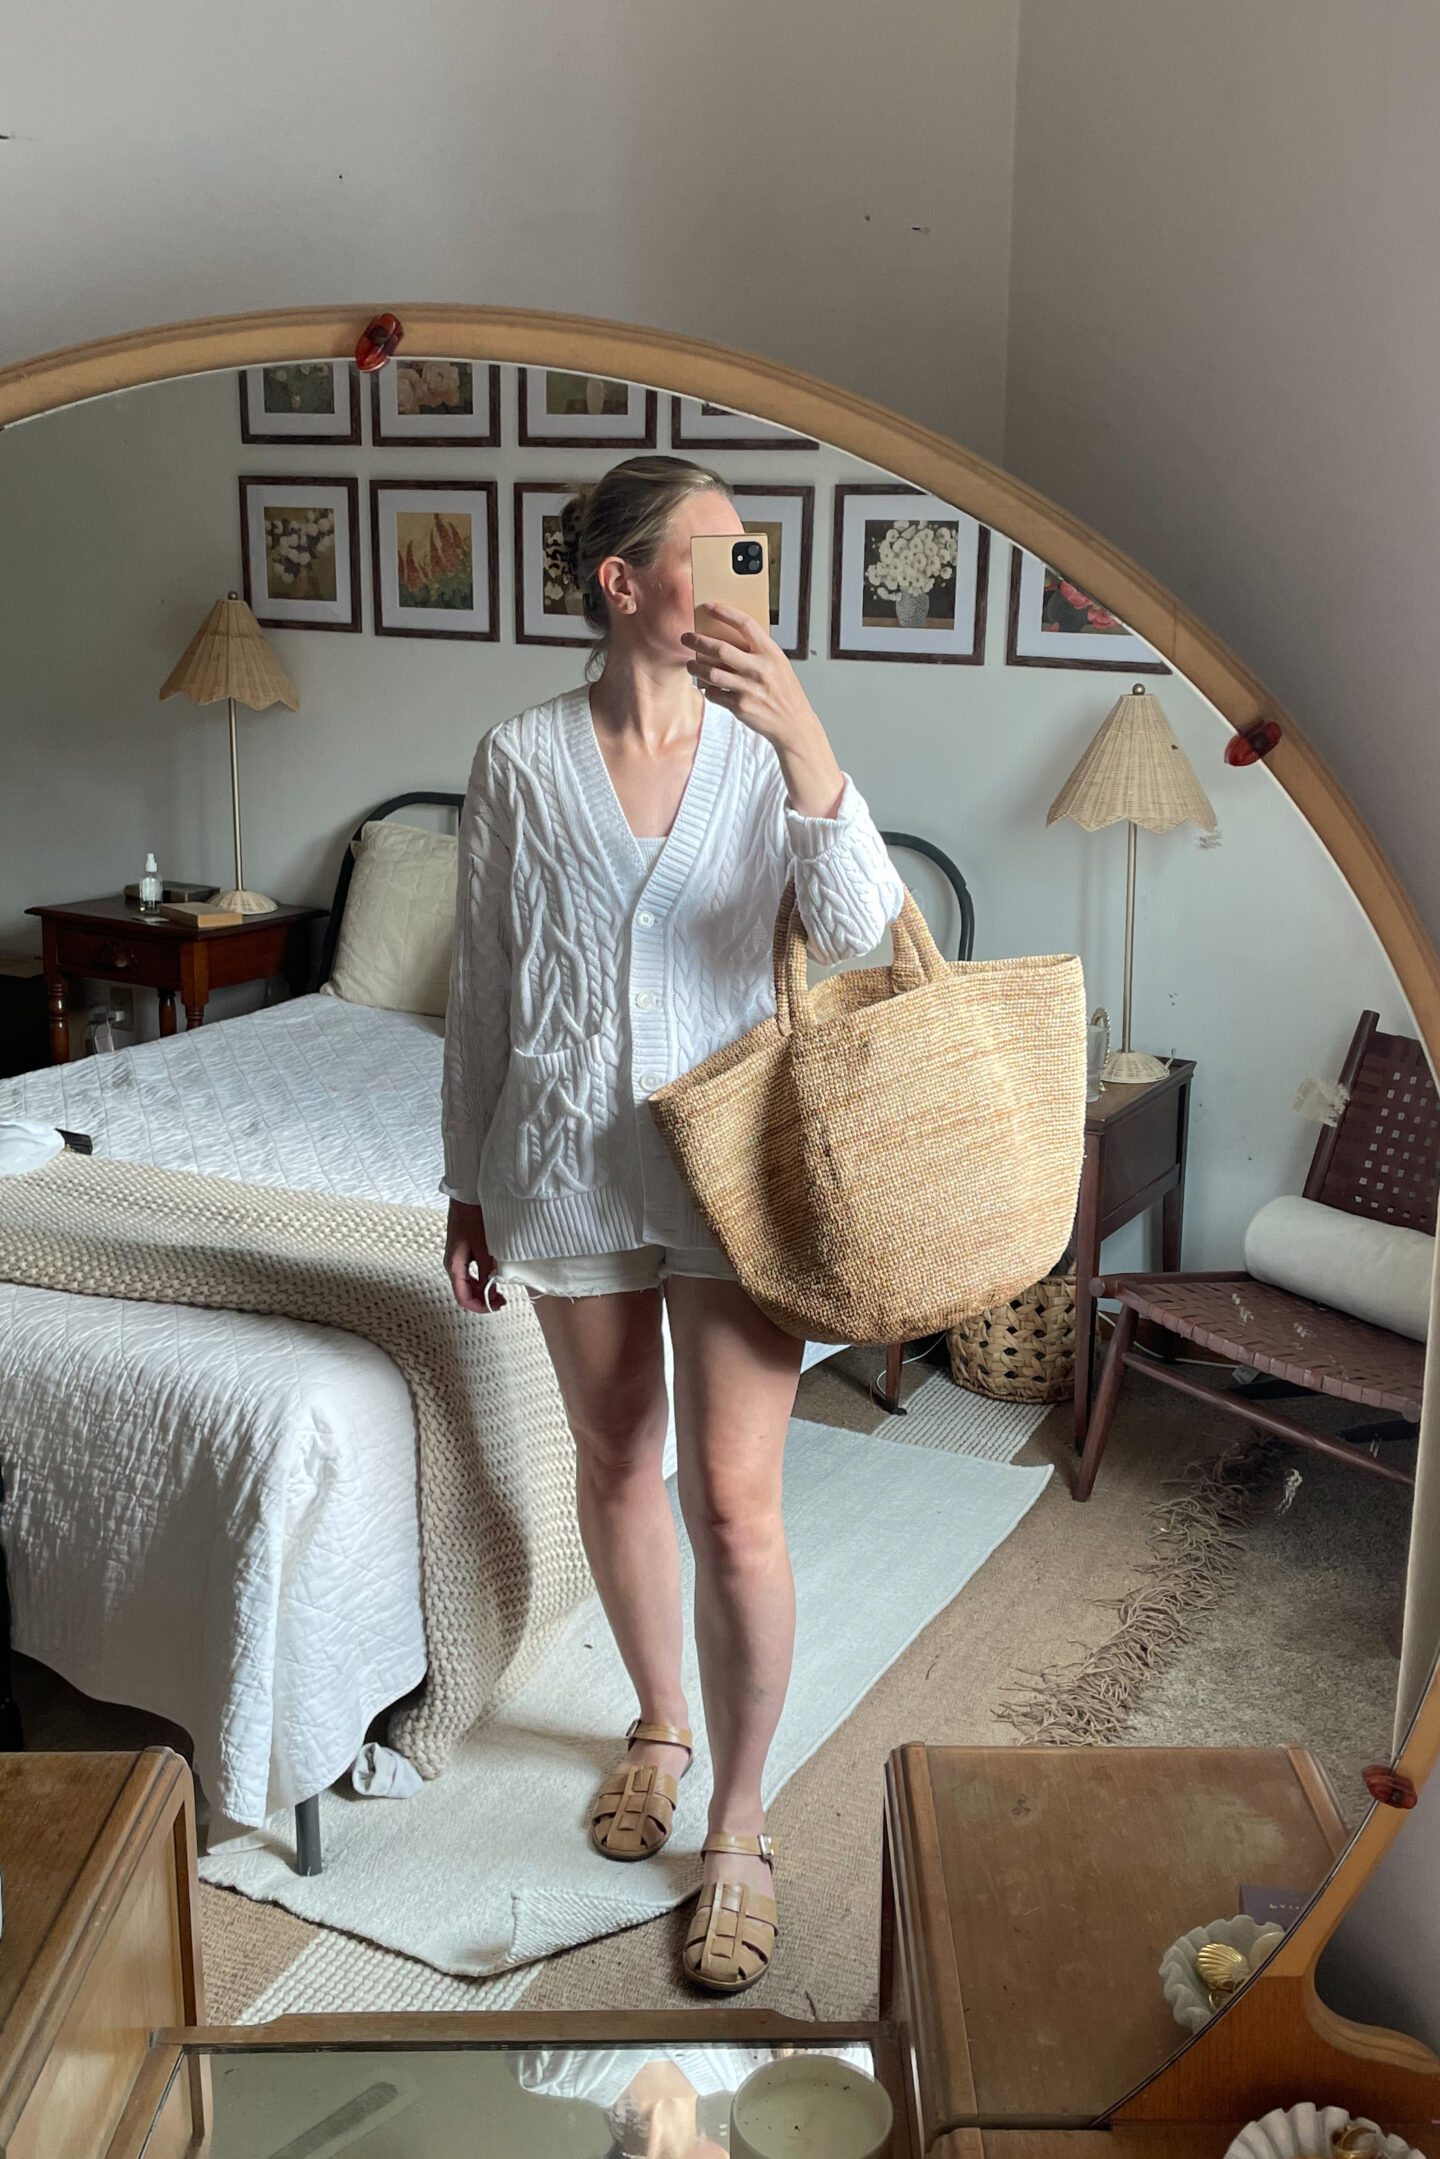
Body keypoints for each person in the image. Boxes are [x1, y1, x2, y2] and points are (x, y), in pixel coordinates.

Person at [442, 454, 904, 1992]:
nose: (736, 576)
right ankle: (656, 1721)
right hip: (565, 1160)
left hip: (730, 1168)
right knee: (613, 1456)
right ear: (621, 584)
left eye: (744, 549)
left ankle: (743, 1822)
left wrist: (811, 746)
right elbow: (487, 992)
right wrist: (466, 1177)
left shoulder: (772, 746)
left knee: (735, 1501)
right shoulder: (519, 758)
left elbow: (854, 934)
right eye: (710, 552)